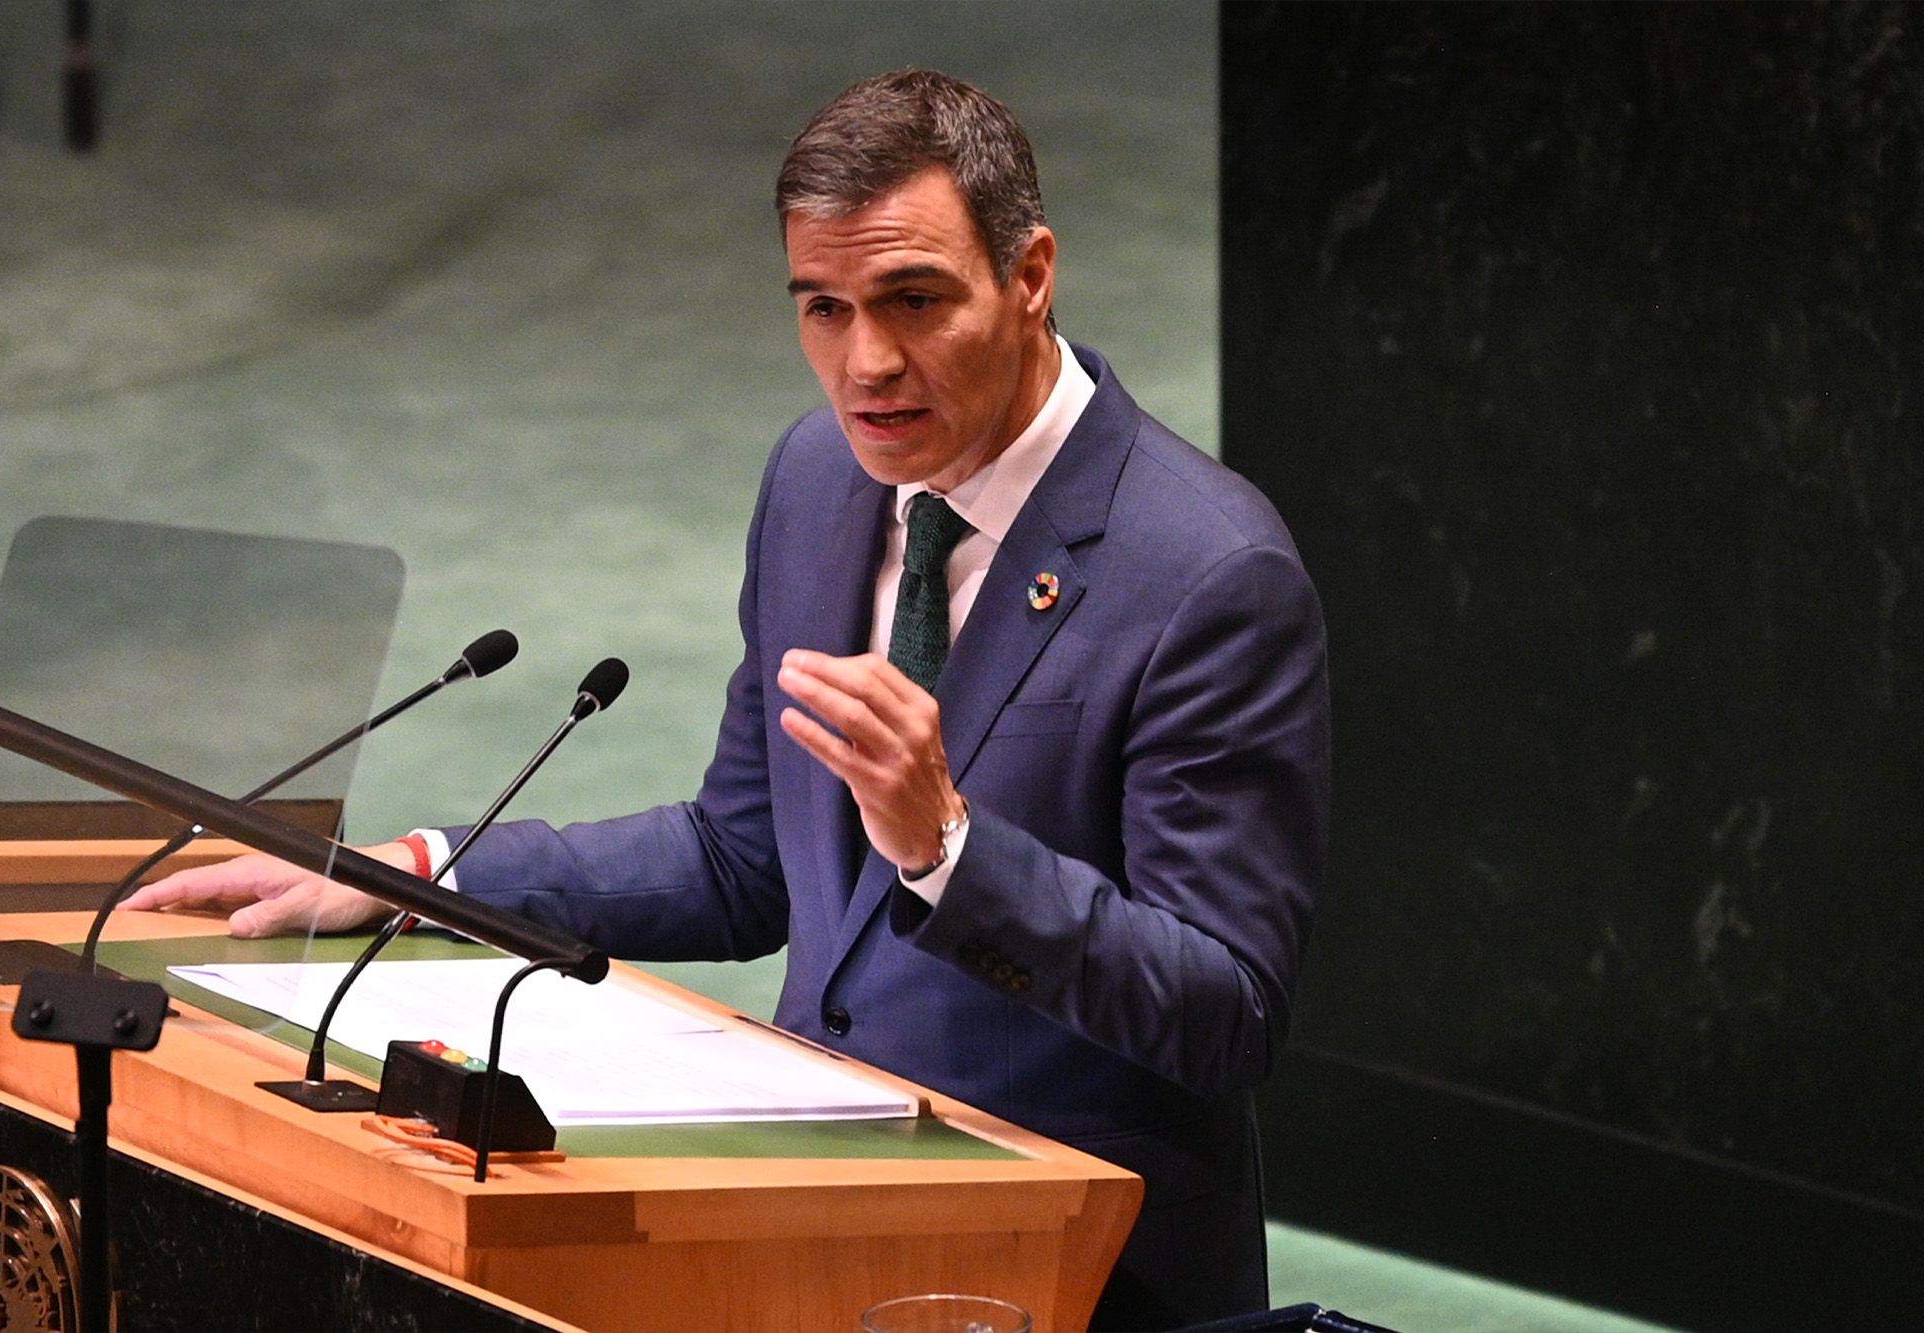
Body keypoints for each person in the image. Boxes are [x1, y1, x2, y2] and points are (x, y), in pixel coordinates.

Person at [124, 69, 1329, 1329]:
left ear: (1029, 277)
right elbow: (748, 851)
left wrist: (948, 849)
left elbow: (1227, 1012)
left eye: (914, 300)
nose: (865, 363)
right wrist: (421, 873)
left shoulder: (1204, 573)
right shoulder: (820, 480)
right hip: (802, 1232)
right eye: (823, 307)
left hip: (1071, 1275)